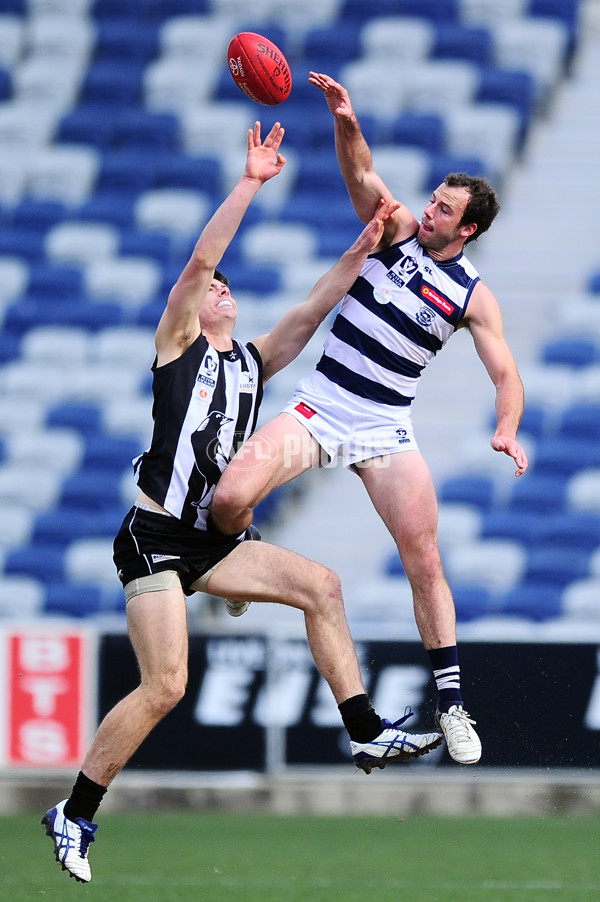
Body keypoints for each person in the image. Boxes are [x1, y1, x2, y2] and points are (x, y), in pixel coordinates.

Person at [41, 121, 442, 884]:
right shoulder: (178, 341)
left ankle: (365, 731)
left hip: (216, 540)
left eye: (228, 291)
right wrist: (252, 182)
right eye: (215, 290)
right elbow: (202, 258)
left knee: (322, 587)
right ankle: (77, 812)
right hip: (157, 537)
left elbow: (312, 312)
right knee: (166, 685)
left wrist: (359, 253)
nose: (221, 290)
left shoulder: (255, 365)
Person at [211, 75, 530, 769]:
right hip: (323, 403)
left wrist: (507, 425)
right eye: (435, 200)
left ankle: (451, 705)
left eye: (445, 209)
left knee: (425, 558)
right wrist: (346, 118)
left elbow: (506, 372)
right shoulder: (395, 232)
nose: (432, 210)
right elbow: (359, 171)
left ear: (467, 228)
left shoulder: (472, 296)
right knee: (229, 500)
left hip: (384, 424)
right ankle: (241, 563)